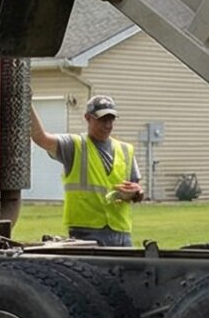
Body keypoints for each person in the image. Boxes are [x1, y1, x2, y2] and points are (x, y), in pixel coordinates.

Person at [30, 95, 146, 246]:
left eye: (111, 120)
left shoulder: (126, 150)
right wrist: (26, 101)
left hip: (121, 232)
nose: (108, 125)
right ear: (87, 118)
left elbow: (136, 191)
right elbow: (41, 138)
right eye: (103, 120)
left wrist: (136, 193)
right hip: (85, 233)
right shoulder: (75, 145)